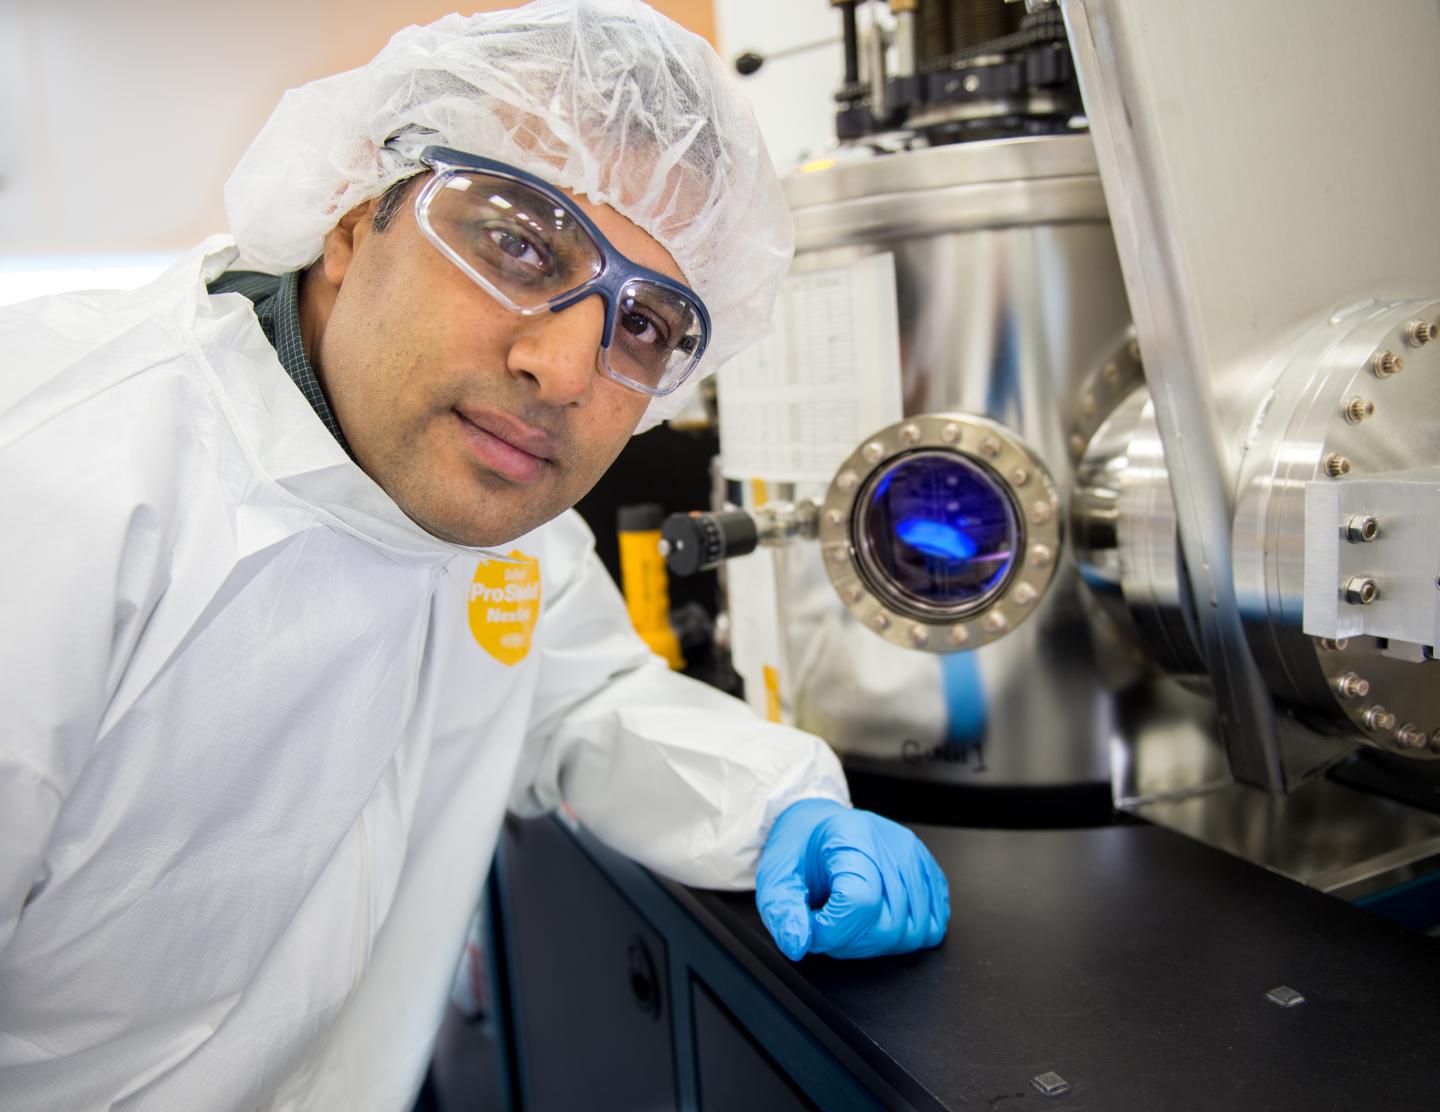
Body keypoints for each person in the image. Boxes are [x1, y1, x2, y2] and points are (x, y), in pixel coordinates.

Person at [0, 2, 948, 1108]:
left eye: (642, 323)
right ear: (354, 220)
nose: (565, 367)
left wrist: (778, 802)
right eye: (517, 242)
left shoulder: (489, 515)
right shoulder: (56, 482)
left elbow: (582, 694)